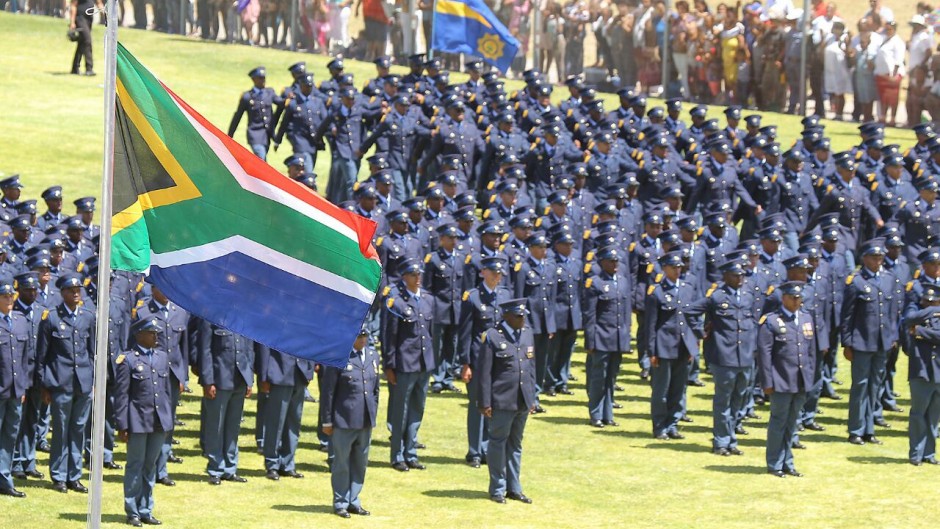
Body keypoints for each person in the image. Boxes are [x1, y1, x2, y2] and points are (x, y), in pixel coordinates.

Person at [476, 298, 537, 504]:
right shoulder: (492, 337)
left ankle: (514, 487)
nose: (522, 320)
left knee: (516, 444)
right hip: (501, 400)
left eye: (523, 316)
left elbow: (531, 368)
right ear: (506, 316)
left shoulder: (527, 332)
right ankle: (497, 488)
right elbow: (484, 373)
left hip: (522, 399)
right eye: (518, 316)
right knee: (498, 444)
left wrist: (532, 397)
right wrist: (484, 402)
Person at [114, 318, 173, 527]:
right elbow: (122, 395)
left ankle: (146, 509)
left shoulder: (162, 357)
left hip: (158, 420)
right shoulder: (128, 359)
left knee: (151, 466)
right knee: (135, 465)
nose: (155, 336)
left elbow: (166, 391)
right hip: (137, 420)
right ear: (139, 334)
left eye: (156, 333)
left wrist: (168, 418)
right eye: (151, 333)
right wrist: (122, 424)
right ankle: (132, 511)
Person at [841, 239, 899, 446]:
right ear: (865, 258)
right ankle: (856, 429)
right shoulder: (855, 281)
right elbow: (847, 316)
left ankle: (870, 428)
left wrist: (893, 336)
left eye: (880, 257)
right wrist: (846, 343)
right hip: (862, 342)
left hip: (882, 342)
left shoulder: (888, 279)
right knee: (860, 386)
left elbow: (892, 312)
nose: (878, 261)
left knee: (875, 386)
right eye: (874, 258)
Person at [758, 281, 815, 478]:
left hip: (800, 380)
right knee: (778, 422)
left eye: (799, 298)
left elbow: (811, 352)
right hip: (781, 379)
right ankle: (774, 463)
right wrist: (767, 382)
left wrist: (810, 376)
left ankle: (788, 462)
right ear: (784, 298)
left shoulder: (806, 317)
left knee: (792, 423)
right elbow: (764, 355)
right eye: (792, 297)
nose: (796, 301)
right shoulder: (772, 321)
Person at [320, 327, 379, 517]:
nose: (362, 340)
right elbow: (328, 392)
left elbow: (375, 389)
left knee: (360, 463)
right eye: (359, 336)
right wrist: (327, 421)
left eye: (365, 336)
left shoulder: (372, 355)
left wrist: (373, 413)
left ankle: (354, 500)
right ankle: (340, 503)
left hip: (364, 420)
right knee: (342, 464)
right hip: (344, 420)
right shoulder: (339, 357)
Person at [383, 259, 434, 471]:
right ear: (404, 276)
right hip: (404, 363)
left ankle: (410, 452)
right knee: (400, 410)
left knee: (417, 408)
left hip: (423, 363)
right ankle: (397, 455)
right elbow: (390, 336)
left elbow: (431, 334)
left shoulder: (428, 300)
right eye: (413, 274)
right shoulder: (396, 302)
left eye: (419, 274)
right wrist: (389, 365)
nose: (418, 278)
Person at [645, 251, 700, 440]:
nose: (678, 270)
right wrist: (651, 351)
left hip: (683, 346)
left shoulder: (686, 288)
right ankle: (659, 426)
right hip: (664, 346)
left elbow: (691, 318)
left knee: (678, 389)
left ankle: (672, 424)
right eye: (674, 267)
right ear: (665, 268)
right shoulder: (656, 291)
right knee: (661, 391)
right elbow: (650, 325)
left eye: (680, 267)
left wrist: (693, 344)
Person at [196, 319, 255, 485]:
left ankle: (230, 468)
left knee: (233, 426)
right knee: (216, 426)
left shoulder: (244, 317)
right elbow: (205, 349)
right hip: (219, 379)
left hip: (239, 378)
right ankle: (215, 468)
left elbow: (249, 349)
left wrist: (249, 378)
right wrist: (208, 380)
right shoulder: (212, 316)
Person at [582, 246, 633, 428]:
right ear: (602, 263)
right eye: (611, 261)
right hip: (601, 336)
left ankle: (608, 413)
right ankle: (595, 413)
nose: (615, 264)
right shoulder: (594, 283)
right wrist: (590, 340)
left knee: (612, 377)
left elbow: (626, 313)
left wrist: (627, 336)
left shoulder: (623, 281)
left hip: (618, 337)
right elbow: (590, 315)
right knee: (598, 378)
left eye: (616, 261)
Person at [0, 278, 30, 498]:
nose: (9, 299)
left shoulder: (20, 321)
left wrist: (23, 387)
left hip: (15, 389)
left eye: (11, 296)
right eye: (4, 296)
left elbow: (25, 357)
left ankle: (4, 478)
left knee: (10, 435)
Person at [227, 67, 281, 161]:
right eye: (260, 78)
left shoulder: (270, 92)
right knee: (261, 158)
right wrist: (230, 135)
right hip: (255, 134)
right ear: (253, 79)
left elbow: (281, 102)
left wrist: (289, 98)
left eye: (264, 78)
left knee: (260, 159)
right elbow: (237, 116)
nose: (263, 80)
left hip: (267, 135)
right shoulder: (247, 97)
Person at [874, 21, 907, 126]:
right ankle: (883, 116)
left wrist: (894, 74)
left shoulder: (898, 42)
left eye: (889, 29)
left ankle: (892, 118)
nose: (887, 31)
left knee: (892, 97)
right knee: (884, 96)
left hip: (893, 73)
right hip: (882, 72)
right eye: (886, 29)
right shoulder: (884, 39)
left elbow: (899, 59)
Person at [69, 0, 103, 76]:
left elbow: (99, 3)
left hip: (89, 19)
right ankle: (89, 68)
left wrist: (105, 13)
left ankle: (75, 68)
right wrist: (72, 22)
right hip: (80, 18)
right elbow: (73, 5)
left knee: (81, 43)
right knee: (87, 41)